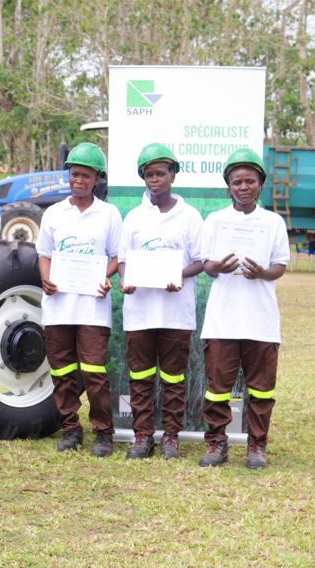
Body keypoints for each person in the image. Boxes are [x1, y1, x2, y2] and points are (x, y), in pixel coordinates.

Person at [198, 148, 289, 469]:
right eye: (237, 182)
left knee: (262, 390)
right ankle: (216, 444)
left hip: (260, 319)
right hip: (223, 318)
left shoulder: (273, 222)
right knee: (217, 389)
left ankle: (257, 446)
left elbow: (280, 266)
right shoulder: (216, 220)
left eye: (250, 181)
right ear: (229, 186)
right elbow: (206, 264)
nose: (243, 187)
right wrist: (216, 267)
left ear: (261, 184)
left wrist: (262, 273)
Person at [117, 143, 204, 460]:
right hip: (140, 312)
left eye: (161, 173)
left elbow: (201, 261)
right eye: (149, 174)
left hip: (176, 313)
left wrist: (179, 274)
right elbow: (123, 260)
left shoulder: (190, 216)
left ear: (173, 175)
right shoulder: (134, 217)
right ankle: (142, 436)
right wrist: (125, 280)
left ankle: (170, 437)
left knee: (174, 379)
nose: (155, 180)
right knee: (140, 379)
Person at [36, 142, 122, 457]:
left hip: (92, 307)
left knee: (94, 373)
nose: (79, 181)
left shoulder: (109, 213)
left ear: (97, 178)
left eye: (86, 175)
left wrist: (104, 277)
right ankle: (71, 429)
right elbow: (44, 254)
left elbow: (117, 256)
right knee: (61, 372)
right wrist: (46, 278)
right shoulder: (54, 213)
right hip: (58, 307)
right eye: (74, 174)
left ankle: (104, 434)